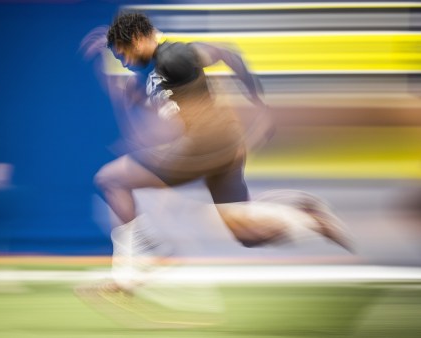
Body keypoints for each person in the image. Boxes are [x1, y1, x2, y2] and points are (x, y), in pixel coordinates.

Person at [80, 12, 351, 292]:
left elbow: (227, 54)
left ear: (137, 39)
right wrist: (105, 65)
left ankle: (132, 270)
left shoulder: (175, 54)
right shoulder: (147, 72)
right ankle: (307, 219)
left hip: (205, 146)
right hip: (222, 150)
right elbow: (136, 101)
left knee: (110, 179)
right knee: (249, 235)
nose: (123, 63)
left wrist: (258, 102)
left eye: (123, 54)